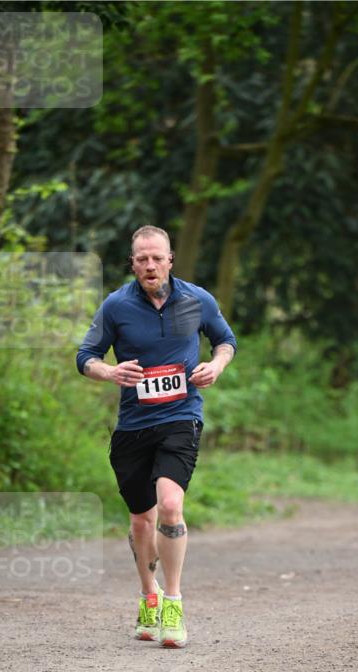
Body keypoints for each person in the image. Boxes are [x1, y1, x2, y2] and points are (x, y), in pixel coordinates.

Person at [76, 225, 237, 647]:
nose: (150, 265)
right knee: (141, 519)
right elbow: (85, 356)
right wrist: (109, 371)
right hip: (132, 426)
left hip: (181, 418)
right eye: (142, 259)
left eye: (157, 258)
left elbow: (225, 341)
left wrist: (216, 367)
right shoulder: (116, 306)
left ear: (170, 260)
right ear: (133, 264)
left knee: (170, 505)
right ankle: (150, 597)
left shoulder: (197, 299)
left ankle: (174, 603)